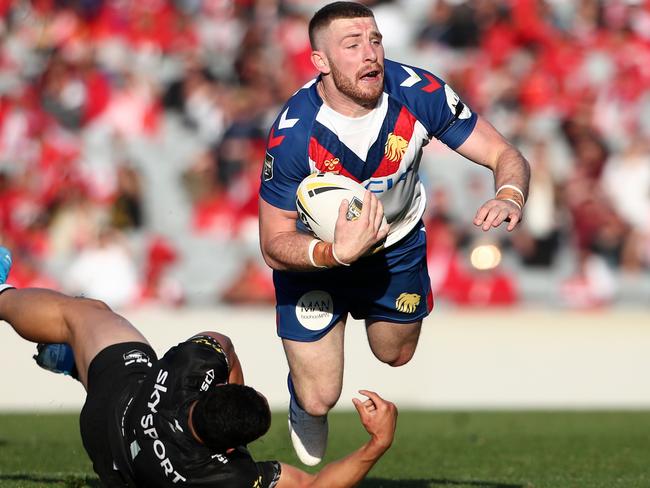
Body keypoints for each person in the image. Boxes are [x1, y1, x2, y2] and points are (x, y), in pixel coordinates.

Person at [258, 1, 531, 466]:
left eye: (375, 39)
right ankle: (305, 402)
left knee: (395, 355)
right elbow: (273, 243)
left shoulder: (418, 92)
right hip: (317, 257)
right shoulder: (294, 135)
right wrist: (333, 253)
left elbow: (504, 153)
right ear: (319, 62)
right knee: (321, 395)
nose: (371, 54)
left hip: (396, 243)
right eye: (352, 44)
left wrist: (509, 196)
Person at [0, 246, 397, 487]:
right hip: (112, 459)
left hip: (119, 400)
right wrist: (377, 444)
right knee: (88, 331)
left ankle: (6, 297)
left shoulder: (190, 365)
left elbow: (223, 343)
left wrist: (230, 386)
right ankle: (69, 362)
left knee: (83, 314)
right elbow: (315, 487)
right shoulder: (225, 477)